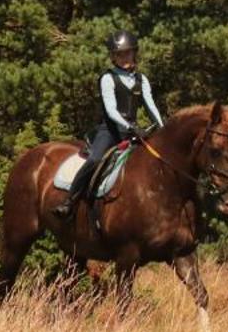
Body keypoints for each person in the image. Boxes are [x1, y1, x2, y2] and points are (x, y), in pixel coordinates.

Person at [54, 29, 165, 218]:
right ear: (113, 57)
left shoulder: (141, 79)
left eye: (127, 53)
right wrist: (130, 127)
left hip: (134, 132)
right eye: (119, 55)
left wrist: (163, 128)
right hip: (111, 131)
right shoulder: (108, 78)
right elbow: (111, 110)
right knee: (95, 160)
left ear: (134, 53)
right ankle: (69, 201)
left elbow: (151, 106)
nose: (124, 58)